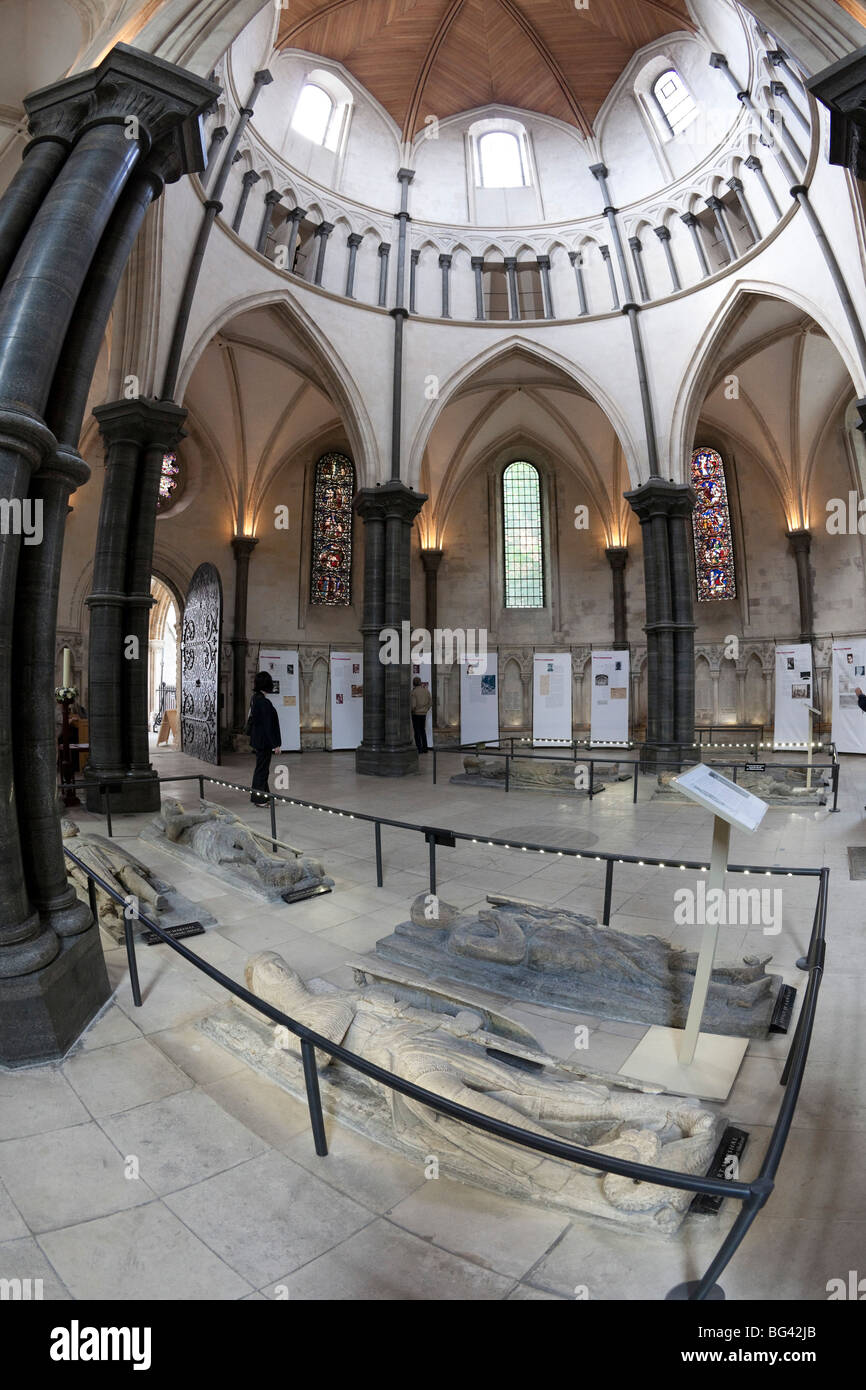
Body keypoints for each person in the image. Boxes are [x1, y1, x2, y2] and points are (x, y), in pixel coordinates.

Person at [246, 671, 281, 805]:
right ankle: (259, 799)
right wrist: (275, 745)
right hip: (263, 741)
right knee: (261, 770)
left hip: (258, 740)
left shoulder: (255, 698)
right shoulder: (263, 702)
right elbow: (268, 726)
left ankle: (265, 796)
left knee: (262, 769)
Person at [410, 676, 432, 754]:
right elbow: (430, 702)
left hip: (416, 714)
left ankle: (419, 749)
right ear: (420, 682)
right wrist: (426, 709)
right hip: (423, 714)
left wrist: (411, 711)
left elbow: (413, 705)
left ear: (413, 683)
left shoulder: (414, 692)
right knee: (423, 730)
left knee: (417, 731)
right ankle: (425, 748)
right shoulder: (426, 691)